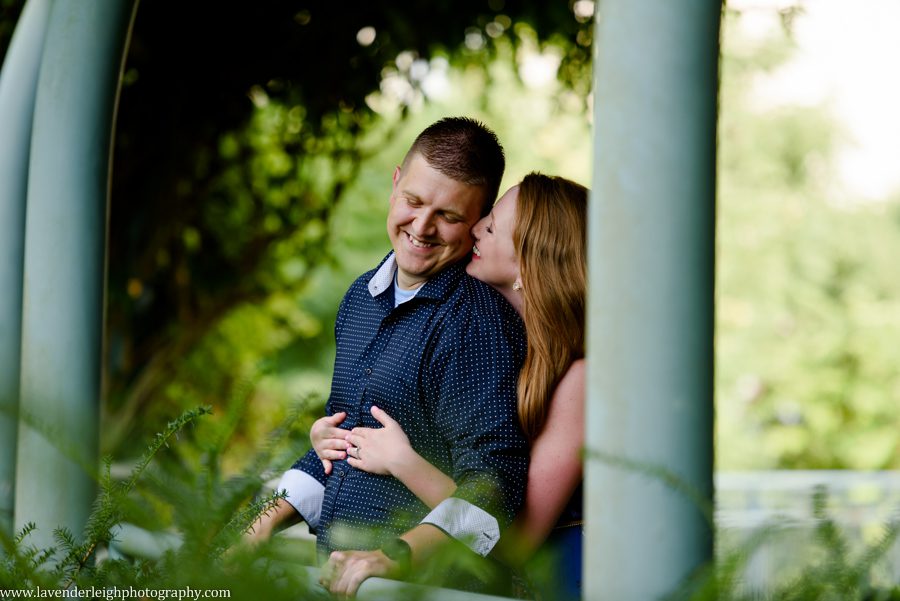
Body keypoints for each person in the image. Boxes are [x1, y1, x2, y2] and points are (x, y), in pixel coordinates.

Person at [246, 117, 530, 596]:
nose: (421, 227)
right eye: (414, 202)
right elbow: (340, 448)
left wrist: (392, 557)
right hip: (340, 583)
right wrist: (256, 526)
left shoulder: (477, 322)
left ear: (479, 222)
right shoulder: (361, 297)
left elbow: (493, 487)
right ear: (395, 182)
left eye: (448, 216)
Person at [314, 172, 587, 600]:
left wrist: (403, 461)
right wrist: (336, 442)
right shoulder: (497, 342)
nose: (475, 228)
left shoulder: (578, 379)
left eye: (491, 228)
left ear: (528, 263)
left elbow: (515, 540)